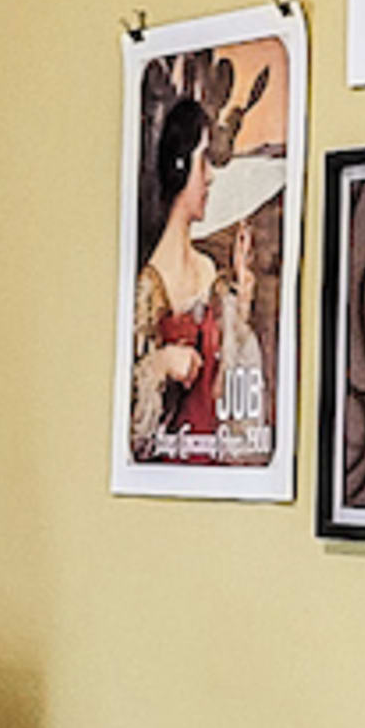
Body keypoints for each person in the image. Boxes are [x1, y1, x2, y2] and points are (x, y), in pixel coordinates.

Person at [129, 95, 256, 460]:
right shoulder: (149, 286)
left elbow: (222, 391)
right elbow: (132, 431)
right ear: (180, 166)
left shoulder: (208, 270)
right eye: (203, 161)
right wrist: (159, 365)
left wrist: (242, 303)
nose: (210, 176)